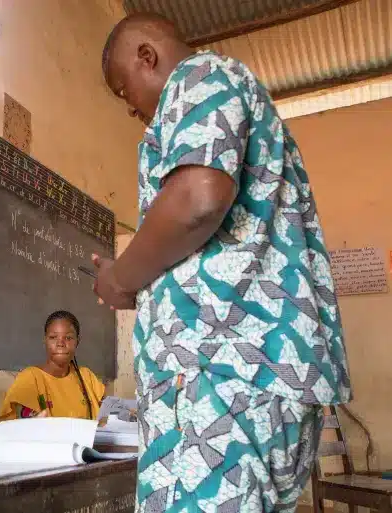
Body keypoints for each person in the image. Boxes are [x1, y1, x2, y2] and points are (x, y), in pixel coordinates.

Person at [96, 13, 351, 513]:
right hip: (257, 374)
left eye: (125, 91)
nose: (132, 111)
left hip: (222, 372)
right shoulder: (237, 94)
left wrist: (120, 276)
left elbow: (199, 199)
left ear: (147, 57)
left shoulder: (199, 77)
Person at [0, 311, 105, 422]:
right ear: (45, 341)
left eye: (68, 338)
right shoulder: (31, 378)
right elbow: (12, 427)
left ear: (77, 341)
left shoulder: (86, 377)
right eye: (53, 337)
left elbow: (107, 419)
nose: (60, 343)